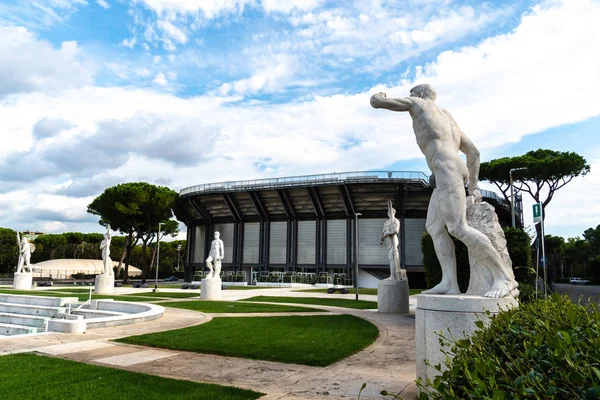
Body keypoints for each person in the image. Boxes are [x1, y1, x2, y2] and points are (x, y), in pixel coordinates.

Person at [370, 84, 517, 298]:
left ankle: (504, 278)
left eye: (412, 94)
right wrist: (473, 187)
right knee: (434, 227)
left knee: (458, 228)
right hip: (447, 174)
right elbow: (474, 153)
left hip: (447, 172)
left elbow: (377, 102)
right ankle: (450, 283)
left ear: (420, 95)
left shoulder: (418, 103)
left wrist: (379, 95)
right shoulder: (448, 118)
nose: (409, 97)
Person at [380, 200, 406, 280]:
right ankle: (393, 275)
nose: (389, 213)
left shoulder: (396, 221)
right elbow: (383, 231)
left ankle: (394, 276)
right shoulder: (386, 222)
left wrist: (389, 232)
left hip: (394, 240)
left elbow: (396, 231)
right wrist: (382, 237)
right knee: (390, 258)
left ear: (393, 212)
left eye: (390, 211)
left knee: (392, 257)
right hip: (388, 241)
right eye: (388, 211)